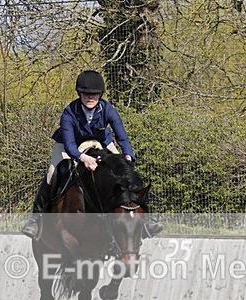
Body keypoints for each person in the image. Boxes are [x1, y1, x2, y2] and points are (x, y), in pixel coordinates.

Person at [22, 70, 162, 239]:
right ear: (79, 94)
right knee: (53, 173)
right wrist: (84, 158)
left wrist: (128, 156)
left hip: (100, 142)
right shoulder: (69, 113)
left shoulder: (108, 109)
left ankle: (147, 220)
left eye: (95, 94)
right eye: (86, 94)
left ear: (100, 94)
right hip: (70, 146)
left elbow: (122, 136)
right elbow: (70, 144)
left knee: (126, 172)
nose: (91, 97)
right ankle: (36, 219)